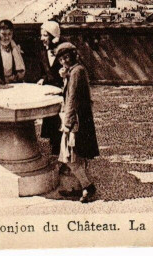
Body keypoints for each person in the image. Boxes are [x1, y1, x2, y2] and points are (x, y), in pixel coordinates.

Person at [55, 42, 99, 203]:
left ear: (73, 56)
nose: (63, 61)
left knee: (70, 156)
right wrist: (65, 76)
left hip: (75, 121)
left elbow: (72, 98)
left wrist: (67, 123)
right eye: (61, 59)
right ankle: (80, 187)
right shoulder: (75, 70)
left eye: (66, 57)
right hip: (80, 119)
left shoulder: (76, 72)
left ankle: (87, 186)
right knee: (77, 156)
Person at [37, 20, 64, 155]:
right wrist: (43, 79)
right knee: (51, 120)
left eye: (45, 36)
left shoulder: (64, 50)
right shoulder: (43, 51)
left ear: (53, 37)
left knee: (62, 121)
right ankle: (54, 149)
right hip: (49, 90)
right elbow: (45, 71)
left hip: (62, 91)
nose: (42, 39)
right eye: (41, 35)